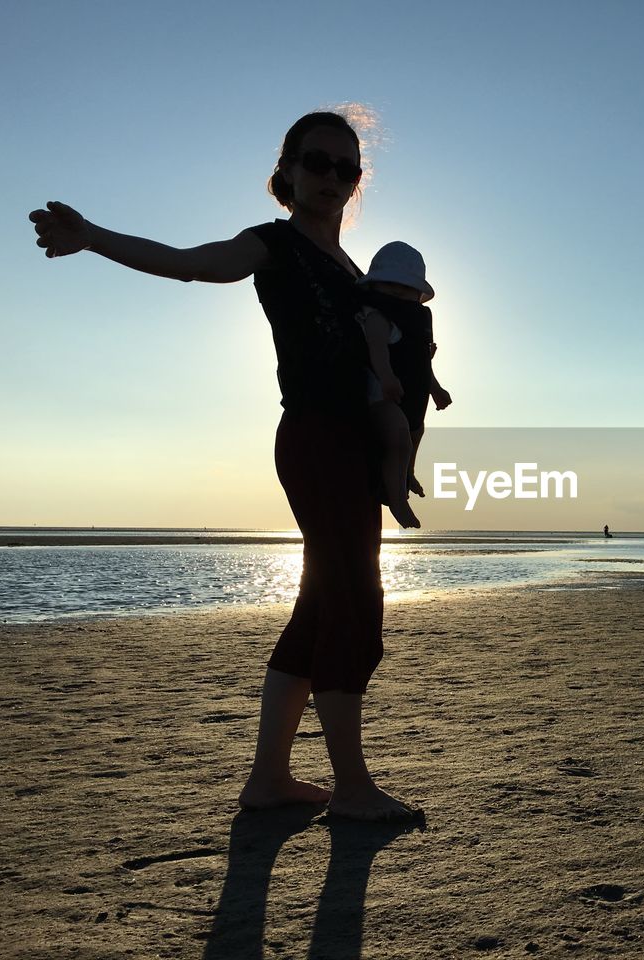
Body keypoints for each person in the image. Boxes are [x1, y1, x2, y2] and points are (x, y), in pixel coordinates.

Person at [28, 109, 420, 822]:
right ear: (288, 170)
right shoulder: (272, 245)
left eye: (346, 168)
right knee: (355, 605)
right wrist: (93, 239)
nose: (331, 178)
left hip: (354, 445)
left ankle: (268, 779)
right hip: (313, 438)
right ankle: (354, 789)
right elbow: (193, 264)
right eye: (317, 162)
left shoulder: (354, 270)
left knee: (318, 605)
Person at [355, 241, 452, 523]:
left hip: (410, 394)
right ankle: (397, 500)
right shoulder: (376, 316)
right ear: (374, 287)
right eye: (390, 285)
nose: (398, 293)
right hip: (380, 393)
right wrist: (386, 378)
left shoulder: (416, 322)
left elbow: (421, 363)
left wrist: (436, 389)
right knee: (398, 434)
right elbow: (377, 351)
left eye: (407, 289)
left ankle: (407, 474)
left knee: (414, 432)